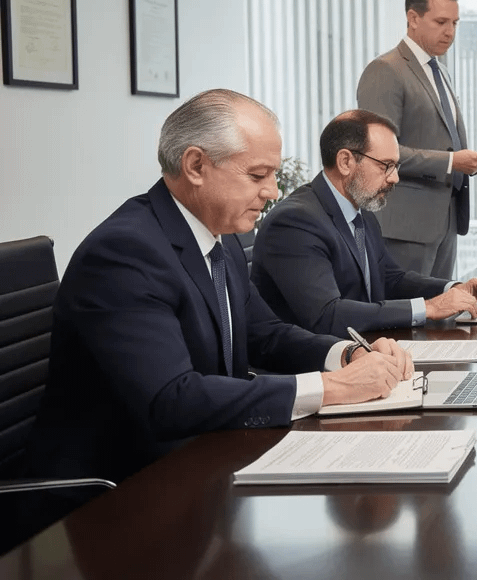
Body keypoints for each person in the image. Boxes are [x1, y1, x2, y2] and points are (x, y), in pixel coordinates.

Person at [26, 90, 415, 485]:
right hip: (117, 491)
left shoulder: (219, 237)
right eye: (258, 175)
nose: (273, 191)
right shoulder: (125, 253)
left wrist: (346, 355)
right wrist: (330, 388)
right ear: (196, 165)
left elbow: (265, 334)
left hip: (202, 457)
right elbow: (172, 399)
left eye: (274, 174)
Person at [251, 109, 477, 337]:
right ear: (345, 162)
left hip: (368, 349)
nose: (395, 178)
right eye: (386, 166)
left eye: (396, 166)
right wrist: (428, 307)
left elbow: (391, 279)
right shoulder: (295, 223)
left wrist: (452, 288)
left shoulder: (361, 211)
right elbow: (327, 315)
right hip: (316, 367)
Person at [357, 0, 477, 279]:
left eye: (455, 23)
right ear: (413, 18)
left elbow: (442, 139)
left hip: (444, 221)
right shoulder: (386, 70)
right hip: (404, 227)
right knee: (409, 318)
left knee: (441, 312)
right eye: (441, 22)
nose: (450, 32)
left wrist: (469, 164)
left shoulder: (440, 72)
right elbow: (377, 154)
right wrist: (451, 162)